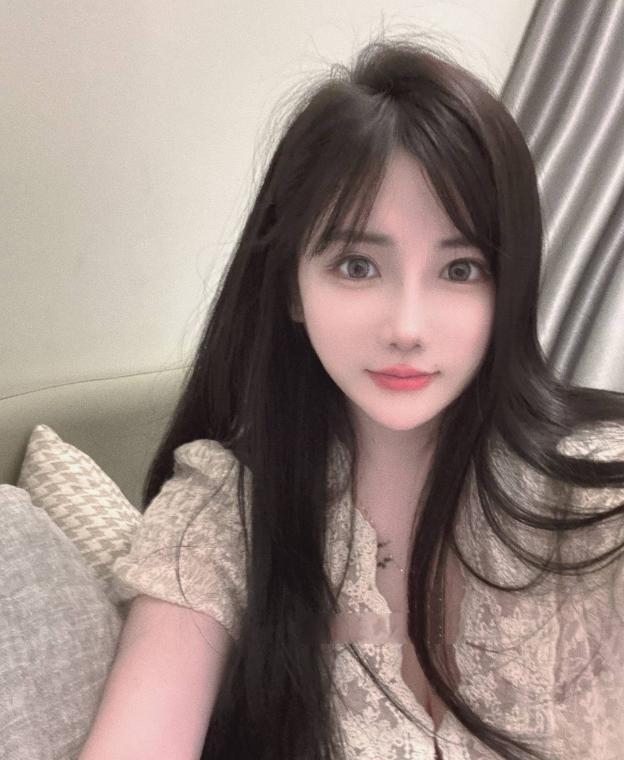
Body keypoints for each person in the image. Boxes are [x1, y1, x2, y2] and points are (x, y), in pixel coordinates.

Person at [79, 34, 624, 760]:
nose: (407, 328)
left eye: (461, 269)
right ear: (291, 288)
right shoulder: (226, 509)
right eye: (358, 265)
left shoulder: (594, 496)